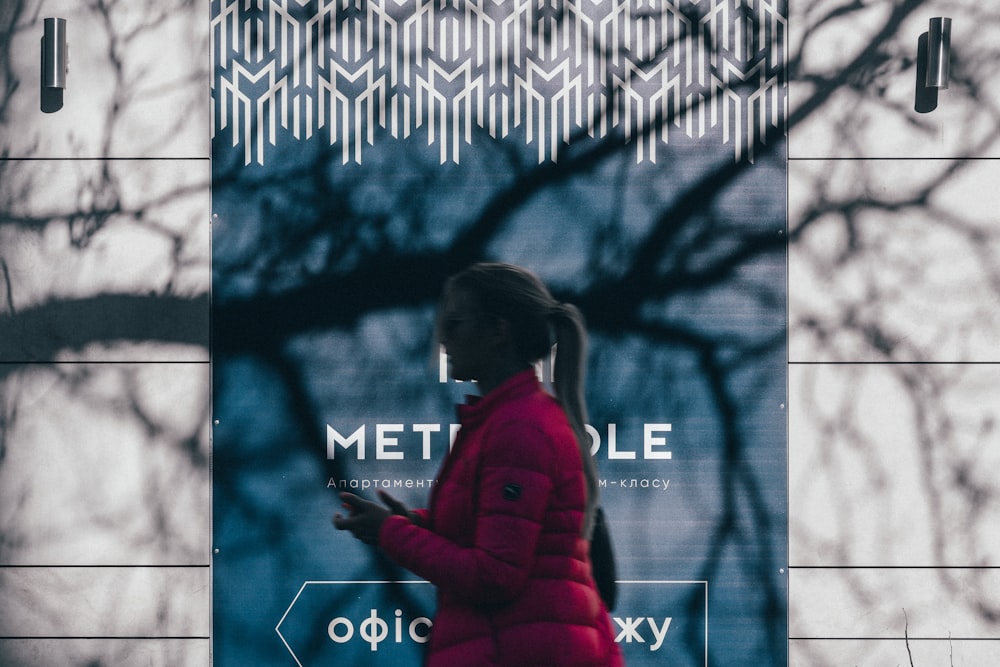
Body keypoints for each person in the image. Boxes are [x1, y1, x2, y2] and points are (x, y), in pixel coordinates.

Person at [333, 262, 623, 666]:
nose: (442, 339)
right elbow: (505, 532)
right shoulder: (507, 420)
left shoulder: (519, 428)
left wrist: (392, 534)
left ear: (497, 331)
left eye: (453, 324)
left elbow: (494, 575)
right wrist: (422, 526)